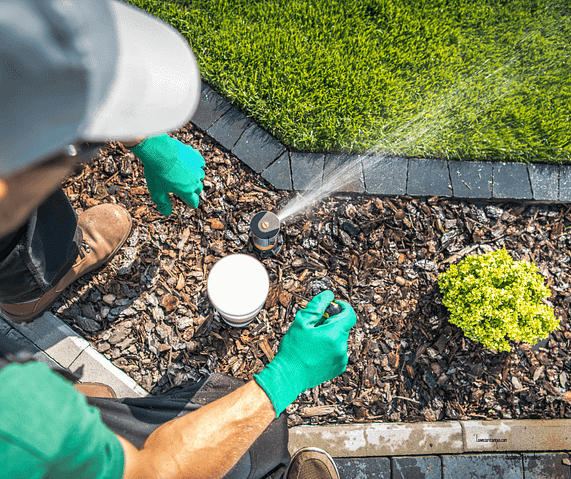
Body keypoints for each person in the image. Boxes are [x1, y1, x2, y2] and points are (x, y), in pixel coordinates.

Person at [0, 1, 357, 479]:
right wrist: (287, 377)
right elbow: (151, 473)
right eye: (83, 146)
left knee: (98, 405)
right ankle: (29, 284)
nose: (91, 152)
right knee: (257, 442)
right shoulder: (21, 424)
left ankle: (38, 290)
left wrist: (143, 139)